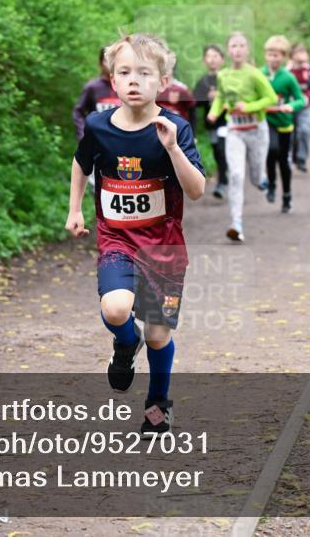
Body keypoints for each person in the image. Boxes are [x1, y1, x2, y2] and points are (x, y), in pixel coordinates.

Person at [65, 34, 205, 436]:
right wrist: (74, 210)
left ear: (163, 82)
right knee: (115, 309)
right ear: (112, 80)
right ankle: (126, 343)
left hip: (164, 248)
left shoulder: (174, 127)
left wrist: (173, 149)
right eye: (124, 72)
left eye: (144, 73)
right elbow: (80, 164)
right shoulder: (97, 126)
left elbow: (195, 190)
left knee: (159, 335)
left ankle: (158, 406)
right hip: (118, 241)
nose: (133, 80)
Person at [205, 32, 277, 242]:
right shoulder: (223, 75)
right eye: (233, 46)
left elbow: (270, 97)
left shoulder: (254, 74)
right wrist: (215, 111)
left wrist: (249, 107)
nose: (237, 50)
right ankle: (236, 224)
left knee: (255, 178)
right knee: (236, 175)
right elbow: (220, 96)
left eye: (241, 46)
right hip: (235, 130)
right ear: (228, 51)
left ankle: (261, 179)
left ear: (247, 50)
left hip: (256, 130)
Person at [262, 36, 305, 214]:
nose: (273, 58)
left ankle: (287, 195)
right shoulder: (259, 74)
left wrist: (290, 106)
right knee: (271, 151)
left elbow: (301, 99)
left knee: (283, 161)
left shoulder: (288, 78)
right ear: (266, 56)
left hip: (284, 124)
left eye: (277, 55)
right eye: (270, 54)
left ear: (284, 57)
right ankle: (271, 183)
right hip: (266, 121)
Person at [193, 44, 228, 199]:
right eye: (209, 56)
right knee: (217, 152)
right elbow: (195, 103)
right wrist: (207, 97)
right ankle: (225, 177)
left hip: (228, 122)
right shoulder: (203, 81)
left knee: (221, 149)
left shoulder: (228, 78)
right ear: (204, 60)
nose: (212, 60)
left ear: (222, 59)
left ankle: (222, 183)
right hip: (211, 124)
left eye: (216, 56)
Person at [72, 47, 120, 142]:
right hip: (97, 141)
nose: (110, 65)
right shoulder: (92, 87)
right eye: (107, 60)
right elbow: (78, 112)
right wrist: (83, 135)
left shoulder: (124, 87)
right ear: (100, 63)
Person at [288, 43, 310, 172]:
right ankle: (288, 159)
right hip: (289, 107)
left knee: (305, 131)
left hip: (305, 107)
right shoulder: (287, 71)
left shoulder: (309, 72)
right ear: (292, 55)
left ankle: (302, 158)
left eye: (304, 52)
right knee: (289, 134)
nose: (302, 55)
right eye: (299, 52)